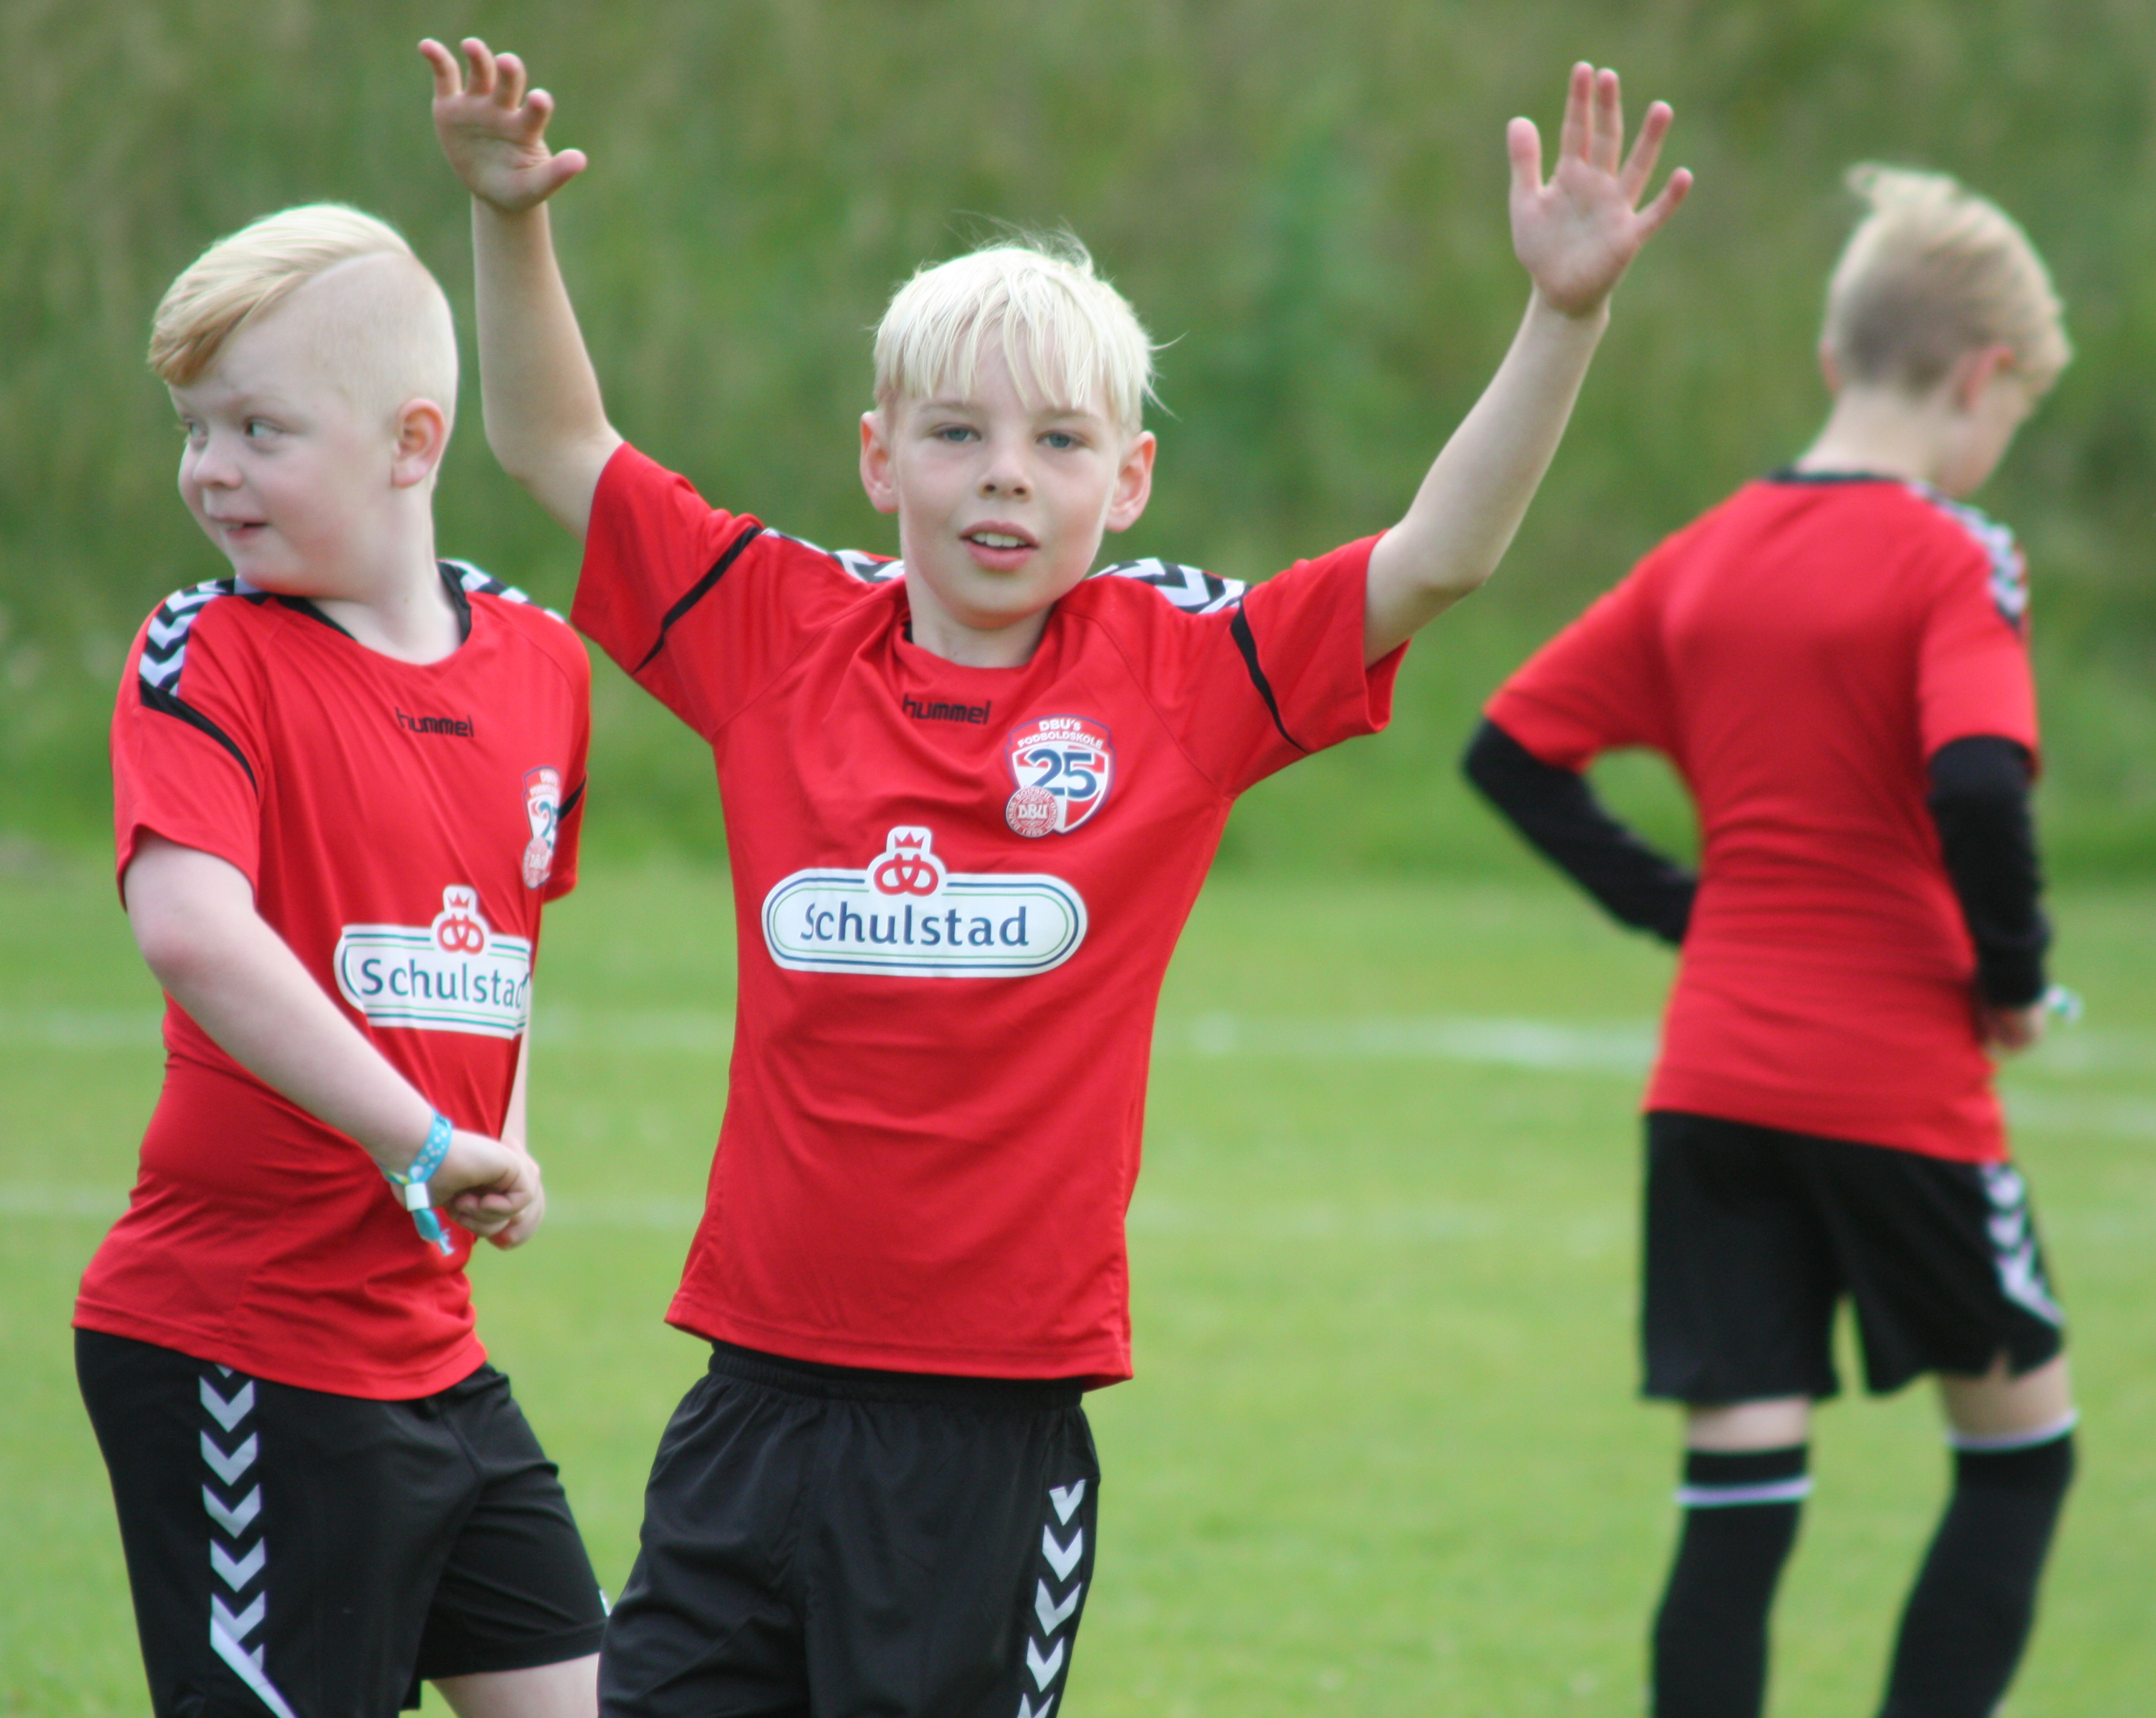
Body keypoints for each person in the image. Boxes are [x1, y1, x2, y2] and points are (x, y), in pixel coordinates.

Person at [423, 34, 1688, 1717]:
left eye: (1059, 440)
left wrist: (1562, 315)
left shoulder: (1179, 673)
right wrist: (511, 219)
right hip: (755, 1388)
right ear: (881, 459)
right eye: (956, 432)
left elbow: (1439, 555)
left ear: (1130, 478)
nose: (1005, 471)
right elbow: (552, 447)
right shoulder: (777, 632)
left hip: (993, 1422)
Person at [1465, 164, 2078, 1718]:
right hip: (1895, 1080)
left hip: (1714, 1081)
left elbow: (1510, 752)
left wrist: (1695, 912)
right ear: (1985, 376)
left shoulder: (1708, 553)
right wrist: (2013, 979)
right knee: (2022, 1456)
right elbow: (1978, 777)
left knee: (1738, 1501)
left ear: (1831, 356)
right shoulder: (1957, 553)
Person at [72, 203, 605, 1718]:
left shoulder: (541, 664)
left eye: (261, 428)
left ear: (411, 442)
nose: (211, 470)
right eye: (195, 428)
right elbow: (192, 929)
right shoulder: (206, 649)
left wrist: (501, 1137)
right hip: (237, 1340)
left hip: (427, 1348)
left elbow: (504, 937)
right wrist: (423, 1138)